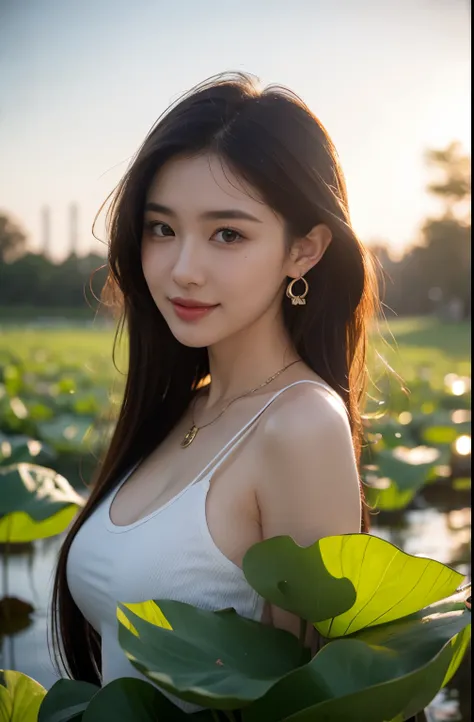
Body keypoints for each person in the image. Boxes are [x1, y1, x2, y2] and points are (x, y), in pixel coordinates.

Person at [49, 71, 379, 714]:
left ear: (304, 250)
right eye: (162, 229)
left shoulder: (300, 424)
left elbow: (311, 697)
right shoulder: (184, 406)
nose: (182, 269)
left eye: (228, 234)